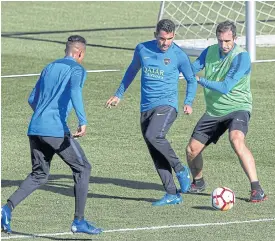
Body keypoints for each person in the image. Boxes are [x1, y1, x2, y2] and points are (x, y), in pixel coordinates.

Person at [1, 35, 102, 234]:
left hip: (35, 128)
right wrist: (83, 121)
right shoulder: (77, 69)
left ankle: (6, 209)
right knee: (83, 168)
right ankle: (79, 221)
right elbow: (75, 92)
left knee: (39, 174)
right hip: (55, 129)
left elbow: (32, 99)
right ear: (79, 52)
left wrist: (43, 115)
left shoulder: (48, 67)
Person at [105, 19, 197, 206]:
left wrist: (188, 102)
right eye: (162, 38)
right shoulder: (142, 49)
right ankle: (172, 193)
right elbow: (132, 71)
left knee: (154, 135)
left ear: (174, 36)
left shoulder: (178, 54)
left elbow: (191, 79)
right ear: (155, 35)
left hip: (167, 105)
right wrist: (118, 94)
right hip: (146, 107)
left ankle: (181, 169)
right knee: (154, 149)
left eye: (169, 39)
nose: (165, 43)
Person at [186, 20, 267, 202]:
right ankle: (198, 182)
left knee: (236, 139)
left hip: (238, 107)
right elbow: (191, 69)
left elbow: (225, 87)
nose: (223, 45)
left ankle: (256, 189)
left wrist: (199, 80)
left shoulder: (241, 57)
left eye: (227, 41)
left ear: (235, 39)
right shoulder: (209, 52)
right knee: (192, 150)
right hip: (214, 110)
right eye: (220, 41)